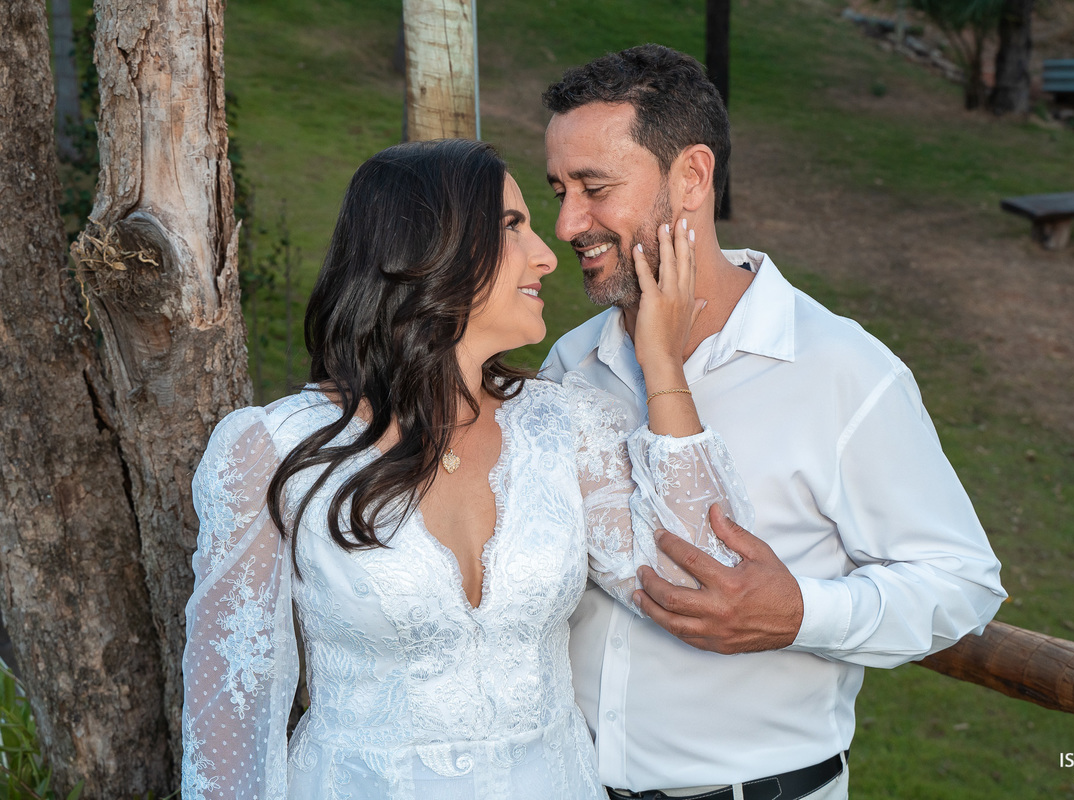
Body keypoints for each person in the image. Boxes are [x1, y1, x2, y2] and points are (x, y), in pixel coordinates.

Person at [180, 138, 752, 799]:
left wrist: (662, 366)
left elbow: (703, 580)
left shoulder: (567, 426)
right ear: (426, 250)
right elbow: (230, 713)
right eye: (511, 227)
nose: (547, 254)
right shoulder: (270, 450)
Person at [541, 44, 1008, 800]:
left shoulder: (842, 369)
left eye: (595, 188)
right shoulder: (571, 362)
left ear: (692, 177)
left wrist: (802, 614)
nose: (567, 223)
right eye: (559, 190)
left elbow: (962, 586)